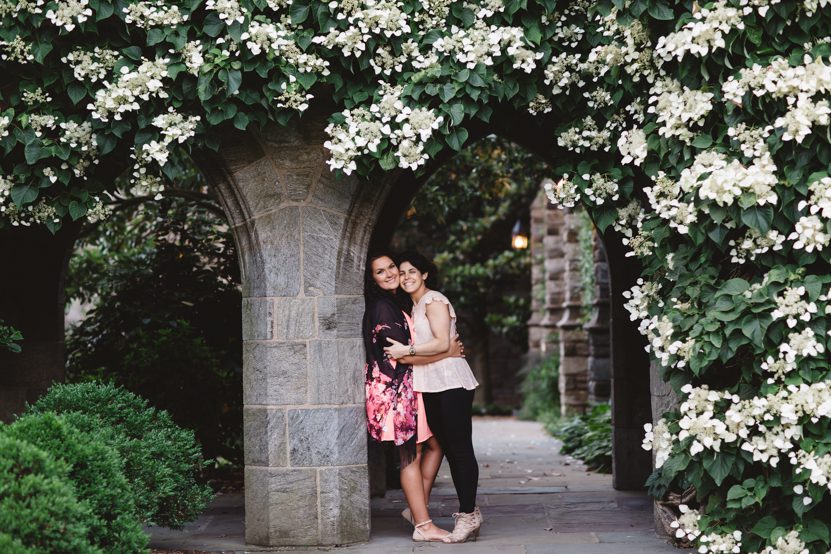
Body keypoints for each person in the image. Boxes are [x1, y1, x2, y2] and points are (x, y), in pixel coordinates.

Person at [362, 252, 463, 542]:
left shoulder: (397, 303)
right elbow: (401, 354)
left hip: (409, 388)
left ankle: (417, 510)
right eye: (380, 272)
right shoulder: (383, 307)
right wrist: (449, 351)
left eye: (391, 266)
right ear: (373, 279)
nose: (390, 273)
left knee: (435, 445)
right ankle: (423, 525)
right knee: (410, 456)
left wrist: (443, 349)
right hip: (394, 392)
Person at [384, 251, 483, 544]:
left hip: (451, 383)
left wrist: (407, 353)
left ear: (425, 274)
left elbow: (441, 342)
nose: (406, 277)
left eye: (412, 271)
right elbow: (443, 347)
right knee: (446, 448)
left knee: (460, 450)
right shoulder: (413, 307)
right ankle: (420, 509)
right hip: (429, 385)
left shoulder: (434, 300)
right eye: (402, 273)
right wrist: (414, 356)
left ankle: (469, 516)